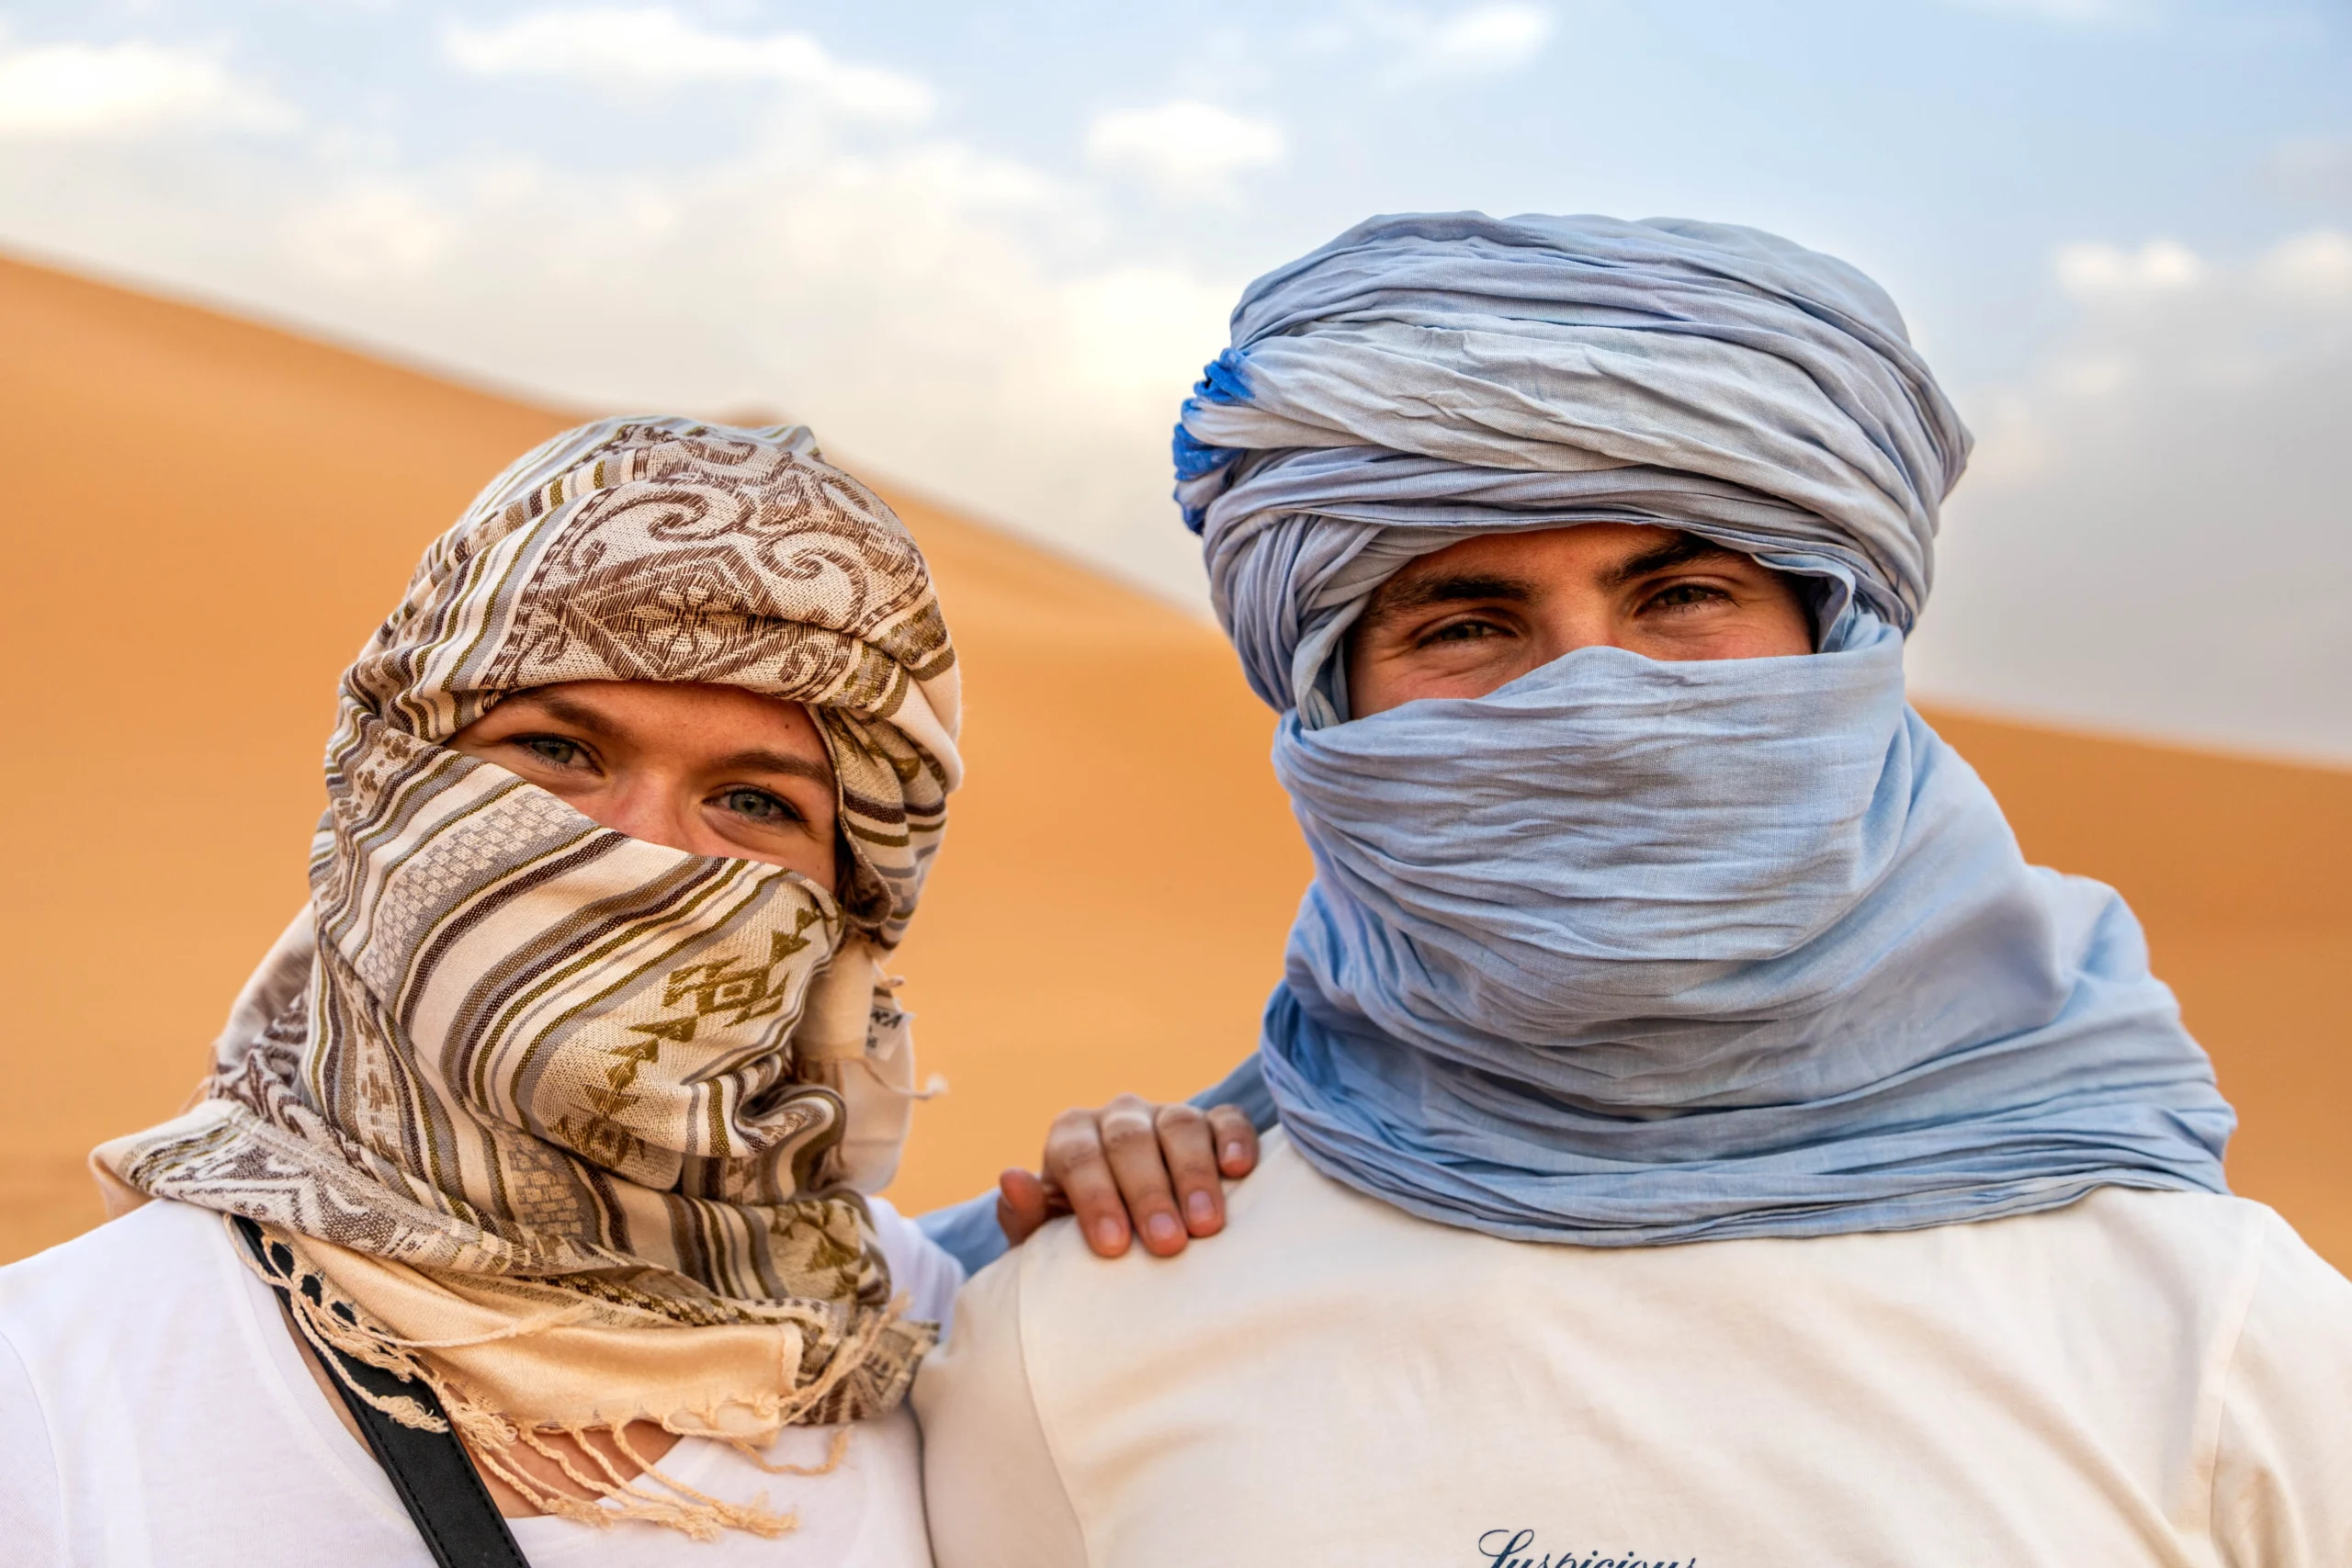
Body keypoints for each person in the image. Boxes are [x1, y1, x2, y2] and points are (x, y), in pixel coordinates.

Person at [915, 214, 2352, 1565]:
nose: (1595, 698)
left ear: (1836, 643)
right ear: (1335, 711)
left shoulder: (2211, 1325)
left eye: (1682, 597)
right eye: (1466, 623)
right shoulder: (1081, 1330)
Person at [0, 417, 1250, 1566]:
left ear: (848, 909)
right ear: (392, 780)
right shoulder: (55, 1384)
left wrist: (1119, 1261)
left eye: (752, 802)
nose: (640, 848)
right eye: (557, 750)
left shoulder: (923, 1340)